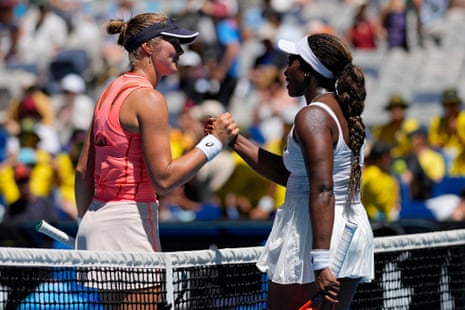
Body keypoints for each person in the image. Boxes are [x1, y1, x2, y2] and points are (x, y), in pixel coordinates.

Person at [74, 12, 238, 308]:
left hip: (97, 221)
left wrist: (86, 221)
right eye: (174, 42)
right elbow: (164, 179)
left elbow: (82, 169)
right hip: (130, 221)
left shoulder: (108, 93)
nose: (182, 50)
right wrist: (215, 143)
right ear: (149, 47)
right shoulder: (149, 99)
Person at [217, 33, 374, 309]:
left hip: (317, 237)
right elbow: (292, 176)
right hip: (343, 232)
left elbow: (322, 188)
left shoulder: (312, 115)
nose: (285, 70)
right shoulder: (341, 111)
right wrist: (235, 140)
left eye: (292, 61)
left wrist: (321, 261)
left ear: (308, 70)